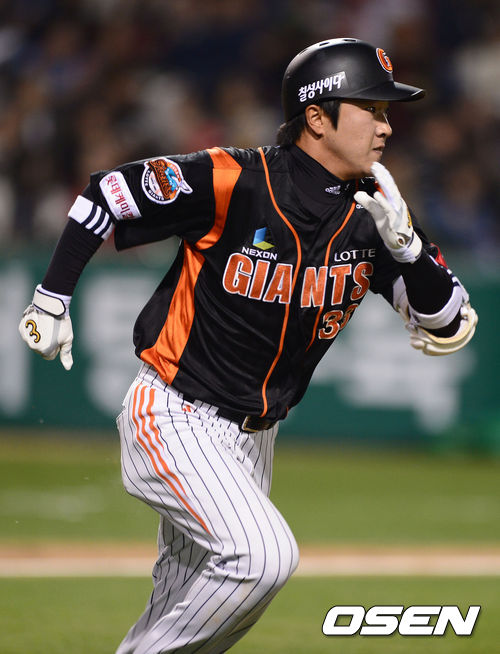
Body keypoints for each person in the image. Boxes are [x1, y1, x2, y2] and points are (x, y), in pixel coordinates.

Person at [19, 38, 477, 653]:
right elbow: (106, 195)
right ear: (317, 117)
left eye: (386, 111)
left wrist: (409, 250)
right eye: (371, 108)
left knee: (186, 601)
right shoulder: (235, 178)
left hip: (255, 439)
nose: (386, 125)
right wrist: (51, 298)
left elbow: (446, 321)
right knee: (262, 558)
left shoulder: (377, 214)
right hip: (175, 413)